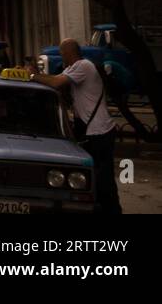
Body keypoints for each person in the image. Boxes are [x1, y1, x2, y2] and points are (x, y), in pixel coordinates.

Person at [31, 39, 122, 215]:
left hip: (100, 131)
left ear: (69, 53)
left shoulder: (83, 66)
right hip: (91, 131)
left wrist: (33, 76)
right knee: (92, 178)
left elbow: (56, 82)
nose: (61, 57)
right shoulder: (72, 68)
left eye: (62, 53)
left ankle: (113, 211)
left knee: (104, 180)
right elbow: (56, 85)